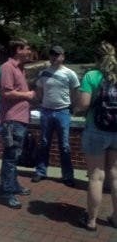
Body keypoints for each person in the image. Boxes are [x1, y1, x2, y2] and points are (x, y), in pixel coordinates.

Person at [76, 41, 117, 231]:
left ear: (96, 58)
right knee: (116, 176)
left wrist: (76, 108)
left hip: (96, 130)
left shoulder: (92, 76)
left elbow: (83, 104)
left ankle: (91, 220)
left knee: (96, 177)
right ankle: (115, 218)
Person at [31, 45, 80, 187]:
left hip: (63, 112)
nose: (54, 57)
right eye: (52, 54)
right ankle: (41, 172)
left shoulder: (70, 73)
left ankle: (67, 175)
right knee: (44, 143)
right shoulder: (44, 73)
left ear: (63, 56)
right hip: (46, 112)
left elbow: (75, 91)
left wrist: (73, 106)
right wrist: (41, 102)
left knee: (64, 146)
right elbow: (38, 90)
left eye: (58, 54)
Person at [0, 39, 36, 209]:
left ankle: (13, 185)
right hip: (13, 121)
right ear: (18, 50)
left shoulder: (20, 68)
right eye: (27, 48)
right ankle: (7, 192)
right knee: (10, 158)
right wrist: (27, 95)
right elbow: (6, 93)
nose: (29, 51)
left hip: (20, 119)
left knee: (15, 157)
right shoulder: (7, 67)